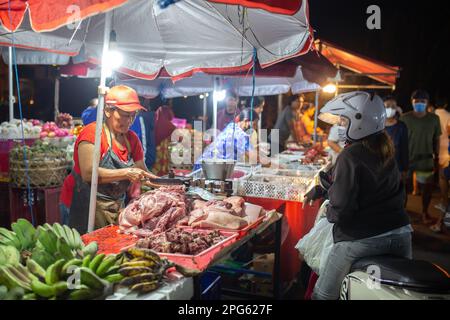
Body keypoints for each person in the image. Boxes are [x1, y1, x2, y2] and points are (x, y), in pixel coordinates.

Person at [309, 91, 412, 300]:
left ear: (359, 122)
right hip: (401, 235)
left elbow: (341, 211)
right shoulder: (385, 150)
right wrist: (324, 187)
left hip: (362, 238)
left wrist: (328, 209)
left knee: (322, 295)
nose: (339, 125)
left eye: (343, 120)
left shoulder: (350, 154)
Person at [60, 85, 157, 232]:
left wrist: (164, 185)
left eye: (133, 115)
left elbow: (142, 171)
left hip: (115, 205)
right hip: (82, 203)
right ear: (107, 111)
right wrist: (126, 173)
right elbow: (88, 174)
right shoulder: (92, 133)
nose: (130, 120)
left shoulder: (132, 139)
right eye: (125, 114)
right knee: (82, 250)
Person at [400, 90, 441, 224]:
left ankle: (424, 212)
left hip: (426, 159)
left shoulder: (434, 119)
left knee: (426, 189)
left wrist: (437, 157)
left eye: (422, 102)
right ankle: (403, 213)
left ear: (427, 103)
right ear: (412, 102)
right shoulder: (404, 118)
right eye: (416, 101)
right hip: (407, 159)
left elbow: (437, 139)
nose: (419, 104)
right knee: (404, 188)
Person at [194, 108, 267, 168]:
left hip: (205, 165)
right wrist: (272, 164)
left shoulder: (232, 126)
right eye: (254, 124)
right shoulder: (240, 135)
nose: (255, 128)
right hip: (205, 169)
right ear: (246, 121)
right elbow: (254, 158)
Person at [432, 97, 450, 232]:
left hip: (439, 151)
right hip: (445, 151)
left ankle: (440, 223)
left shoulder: (431, 116)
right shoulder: (448, 116)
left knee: (443, 177)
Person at [384, 100, 409, 179]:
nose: (390, 108)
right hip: (380, 170)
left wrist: (405, 168)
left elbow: (404, 148)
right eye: (387, 106)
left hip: (398, 169)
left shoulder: (401, 126)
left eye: (393, 106)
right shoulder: (377, 127)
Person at [151, 105, 176, 176]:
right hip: (164, 154)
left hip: (153, 151)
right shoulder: (170, 126)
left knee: (154, 170)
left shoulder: (153, 123)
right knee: (163, 171)